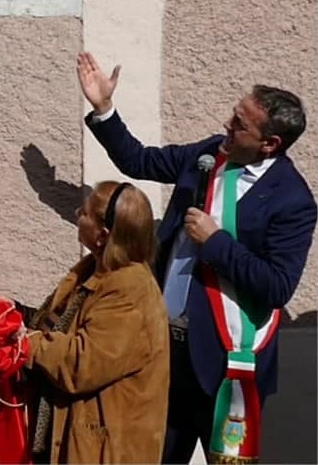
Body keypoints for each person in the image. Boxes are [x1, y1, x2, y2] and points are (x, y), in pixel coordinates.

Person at [76, 52, 317, 463]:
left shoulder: (293, 201)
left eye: (240, 124)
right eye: (233, 114)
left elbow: (277, 286)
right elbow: (141, 160)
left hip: (226, 364)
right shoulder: (209, 155)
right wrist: (104, 108)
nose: (227, 125)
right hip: (164, 350)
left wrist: (216, 242)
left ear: (269, 143)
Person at [17, 180, 170, 463]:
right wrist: (16, 315)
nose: (78, 213)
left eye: (85, 212)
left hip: (107, 450)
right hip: (80, 440)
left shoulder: (130, 289)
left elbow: (82, 364)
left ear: (103, 234)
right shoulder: (95, 271)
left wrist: (27, 344)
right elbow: (57, 323)